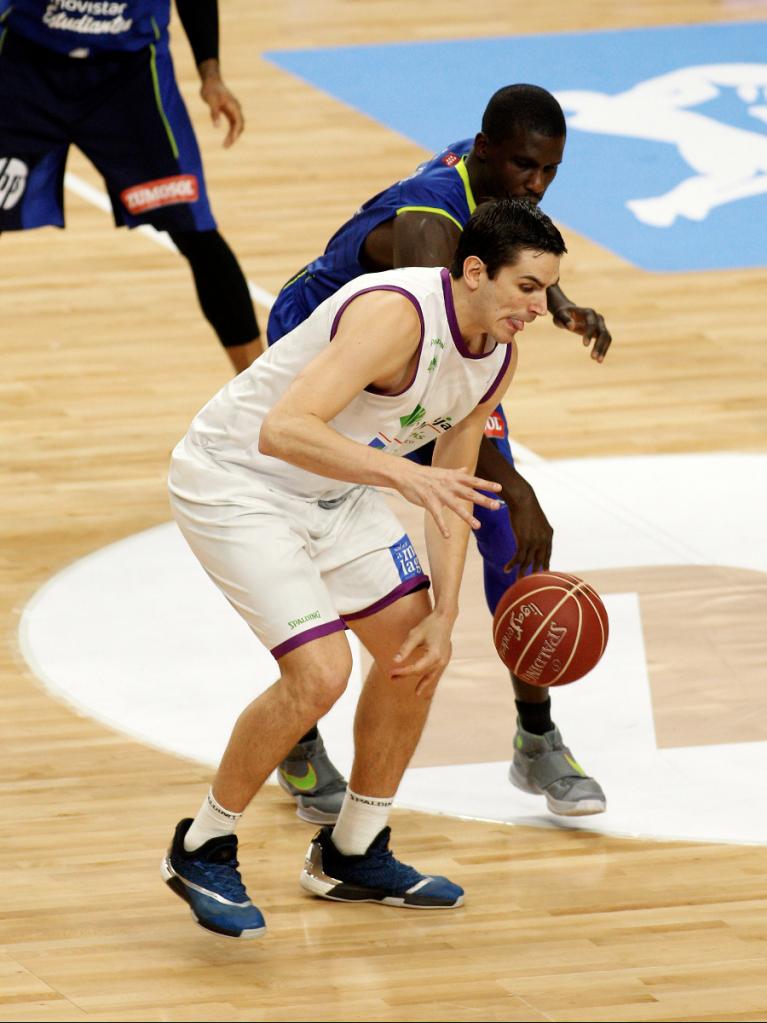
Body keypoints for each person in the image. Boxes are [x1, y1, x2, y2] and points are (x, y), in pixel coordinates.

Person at [162, 199, 565, 937]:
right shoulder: (397, 315)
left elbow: (451, 488)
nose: (540, 306)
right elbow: (283, 429)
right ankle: (201, 843)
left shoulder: (497, 357)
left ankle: (352, 850)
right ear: (474, 272)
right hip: (237, 478)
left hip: (336, 489)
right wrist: (400, 479)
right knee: (319, 673)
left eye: (545, 289)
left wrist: (445, 613)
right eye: (527, 287)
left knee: (415, 655)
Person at [268, 84, 612, 823]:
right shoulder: (427, 225)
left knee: (507, 533)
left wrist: (560, 304)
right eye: (525, 166)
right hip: (323, 347)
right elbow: (428, 382)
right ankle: (296, 735)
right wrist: (512, 481)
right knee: (307, 537)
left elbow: (513, 240)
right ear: (486, 150)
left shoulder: (494, 182)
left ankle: (536, 737)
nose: (537, 183)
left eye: (549, 171)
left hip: (426, 348)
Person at [0, 0, 261, 373]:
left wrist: (211, 74)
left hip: (131, 78)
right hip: (23, 65)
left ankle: (262, 396)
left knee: (195, 231)